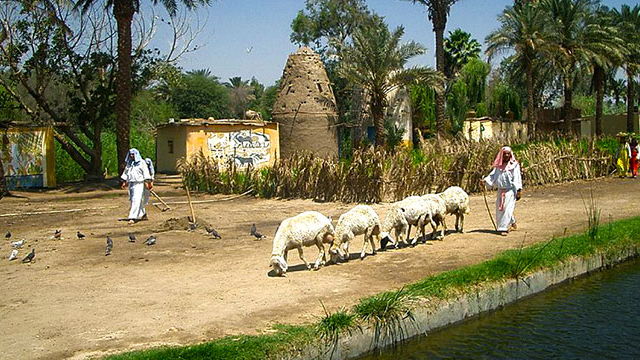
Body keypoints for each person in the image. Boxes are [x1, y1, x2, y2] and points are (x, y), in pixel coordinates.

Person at [483, 146, 523, 236]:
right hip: (501, 191)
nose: (506, 156)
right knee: (502, 208)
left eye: (508, 154)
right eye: (505, 154)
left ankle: (503, 228)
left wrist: (519, 190)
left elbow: (517, 178)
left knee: (507, 208)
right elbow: (492, 176)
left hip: (510, 191)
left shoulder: (514, 165)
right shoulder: (498, 166)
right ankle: (512, 223)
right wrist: (485, 181)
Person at [121, 149, 153, 224]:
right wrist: (124, 182)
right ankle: (143, 214)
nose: (132, 156)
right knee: (133, 200)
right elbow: (126, 173)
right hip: (131, 184)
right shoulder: (129, 164)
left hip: (139, 184)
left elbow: (146, 173)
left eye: (133, 154)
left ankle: (132, 217)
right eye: (130, 154)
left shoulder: (142, 163)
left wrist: (148, 182)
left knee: (136, 200)